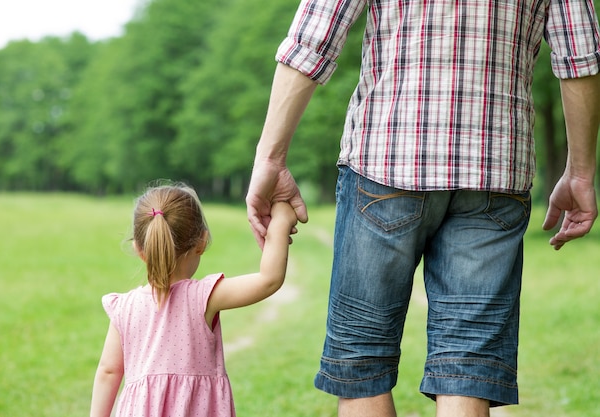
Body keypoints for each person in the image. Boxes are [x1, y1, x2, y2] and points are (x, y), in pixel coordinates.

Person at [246, 1, 600, 416]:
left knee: (363, 361)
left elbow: (313, 38)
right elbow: (580, 56)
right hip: (494, 169)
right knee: (467, 366)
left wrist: (270, 159)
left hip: (386, 159)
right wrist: (580, 172)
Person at [90, 183, 297, 417]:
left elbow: (109, 371)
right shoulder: (203, 297)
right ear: (201, 242)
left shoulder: (124, 307)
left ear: (139, 248)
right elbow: (269, 279)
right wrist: (281, 219)